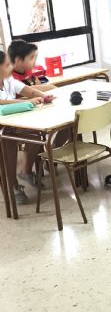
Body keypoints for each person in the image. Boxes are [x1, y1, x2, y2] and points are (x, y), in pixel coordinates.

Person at [0, 50, 50, 204]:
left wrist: (42, 96)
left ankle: (26, 171)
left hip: (11, 123)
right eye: (7, 65)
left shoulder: (8, 81)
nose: (10, 67)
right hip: (3, 129)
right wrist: (25, 102)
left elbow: (28, 90)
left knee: (34, 133)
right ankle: (12, 185)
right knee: (7, 141)